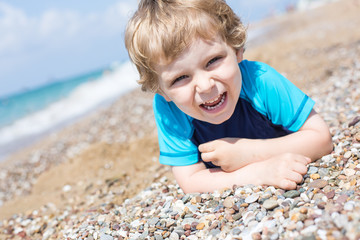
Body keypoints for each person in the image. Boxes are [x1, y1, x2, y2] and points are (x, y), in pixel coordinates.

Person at [124, 0, 333, 193]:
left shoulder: (260, 81)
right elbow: (190, 181)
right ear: (162, 91)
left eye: (213, 60)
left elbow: (321, 139)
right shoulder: (169, 111)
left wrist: (248, 153)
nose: (205, 86)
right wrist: (256, 173)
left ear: (236, 49)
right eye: (180, 78)